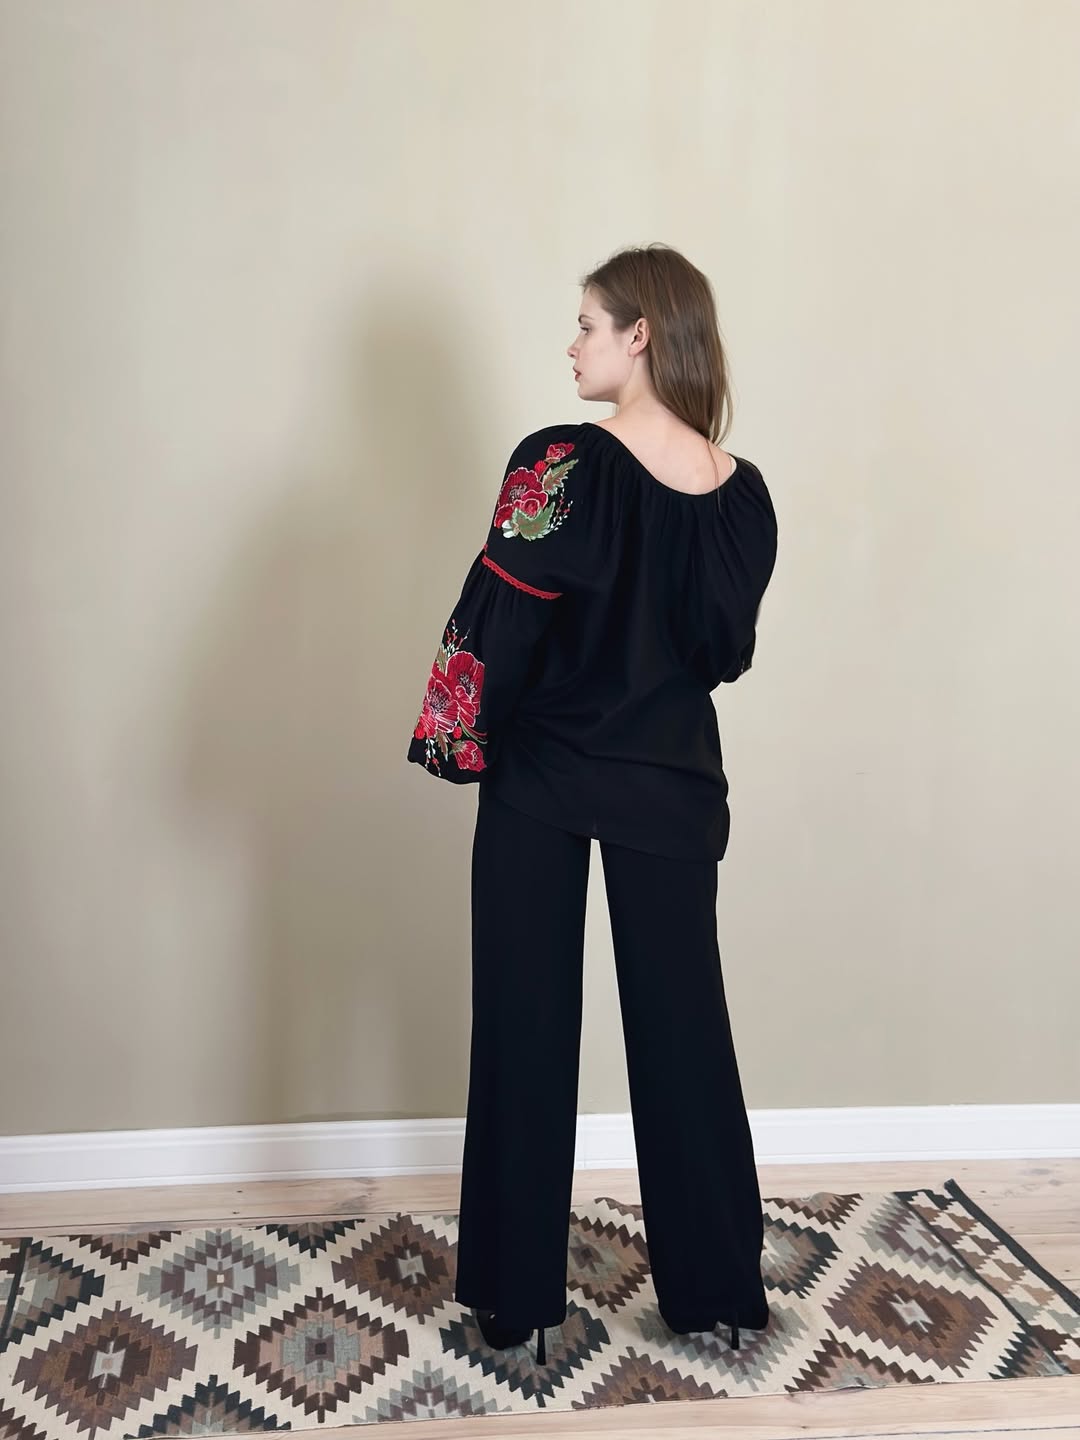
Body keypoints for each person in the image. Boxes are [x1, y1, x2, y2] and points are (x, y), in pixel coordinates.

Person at [406, 243, 778, 1368]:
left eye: (585, 324)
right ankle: (716, 1292)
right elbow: (720, 655)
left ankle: (517, 1299)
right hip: (671, 782)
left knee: (523, 1025)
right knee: (686, 1033)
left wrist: (456, 734)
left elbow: (501, 619)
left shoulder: (558, 463)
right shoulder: (742, 498)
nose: (571, 345)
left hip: (546, 776)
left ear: (639, 336)